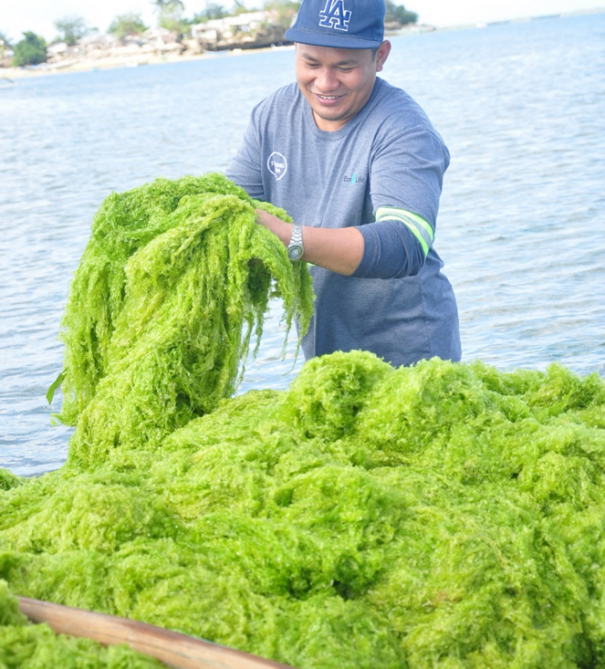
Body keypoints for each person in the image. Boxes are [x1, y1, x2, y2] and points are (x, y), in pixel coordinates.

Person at [226, 0, 461, 368]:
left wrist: (289, 239)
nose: (325, 82)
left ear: (380, 56)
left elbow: (404, 242)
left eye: (345, 67)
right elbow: (230, 205)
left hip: (411, 356)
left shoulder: (402, 128)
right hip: (324, 353)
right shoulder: (271, 116)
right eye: (311, 63)